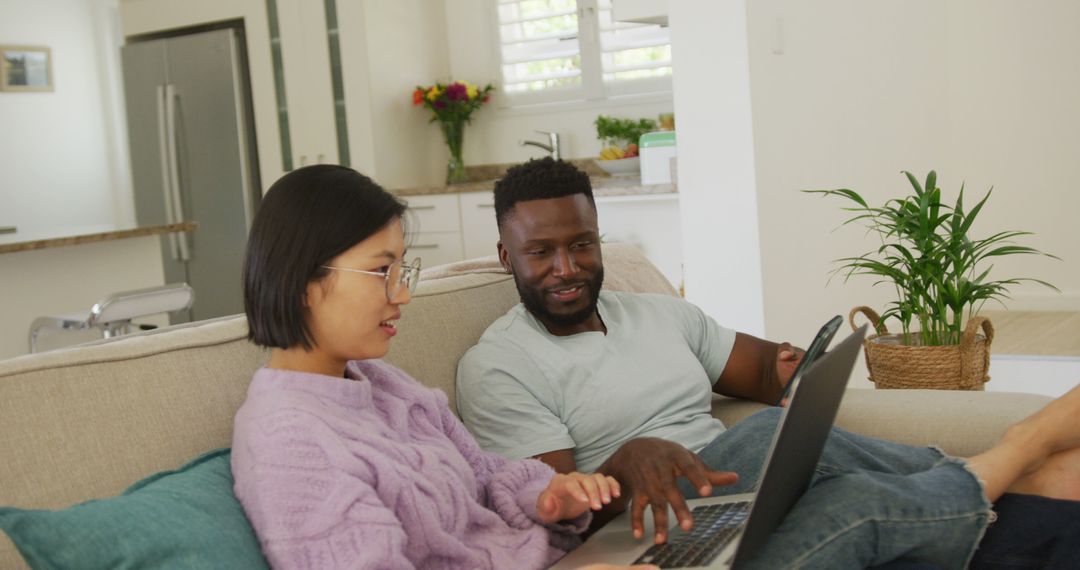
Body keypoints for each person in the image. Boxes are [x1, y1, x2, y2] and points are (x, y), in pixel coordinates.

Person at [455, 157, 1080, 569]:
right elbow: (557, 511)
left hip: (733, 496)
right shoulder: (499, 367)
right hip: (651, 522)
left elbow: (757, 371)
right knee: (759, 432)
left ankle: (1015, 495)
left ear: (599, 241)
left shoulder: (658, 313)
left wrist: (791, 370)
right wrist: (626, 458)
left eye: (581, 245)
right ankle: (1017, 461)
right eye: (541, 252)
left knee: (844, 485)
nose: (565, 268)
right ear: (507, 257)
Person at [230, 164, 656, 570]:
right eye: (382, 271)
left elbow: (487, 474)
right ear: (304, 280)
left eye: (402, 271)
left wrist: (550, 494)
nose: (402, 296)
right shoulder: (288, 443)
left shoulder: (381, 383)